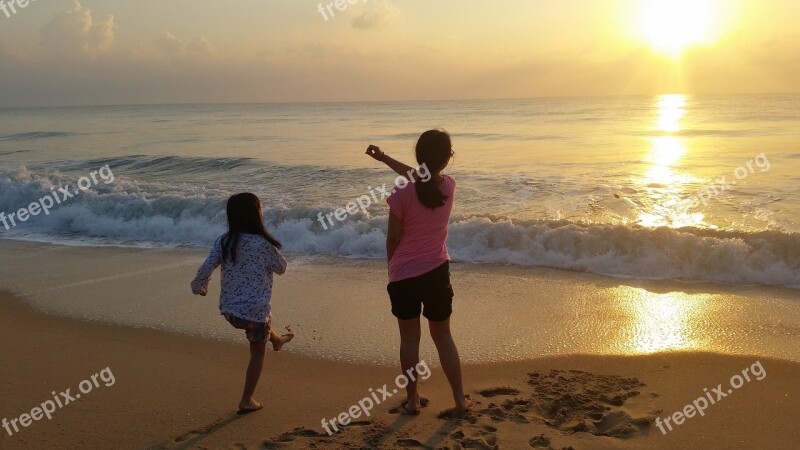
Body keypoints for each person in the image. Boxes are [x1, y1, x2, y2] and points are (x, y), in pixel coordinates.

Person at [366, 129, 472, 416]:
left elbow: (393, 239)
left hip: (404, 274)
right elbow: (422, 177)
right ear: (447, 159)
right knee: (444, 338)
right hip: (437, 270)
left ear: (419, 155)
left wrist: (392, 268)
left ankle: (412, 401)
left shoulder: (401, 193)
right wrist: (385, 158)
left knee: (410, 339)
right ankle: (460, 401)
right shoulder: (449, 186)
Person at [190, 192, 294, 414]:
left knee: (262, 320)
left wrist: (199, 286)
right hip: (254, 313)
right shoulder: (264, 244)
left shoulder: (225, 241)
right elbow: (282, 268)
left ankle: (276, 340)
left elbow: (207, 266)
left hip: (230, 312)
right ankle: (247, 399)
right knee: (257, 350)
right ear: (257, 214)